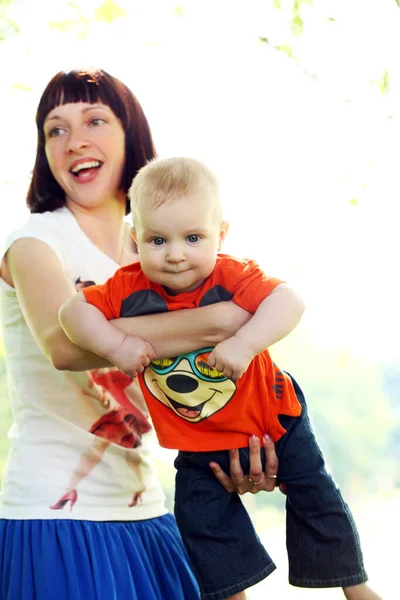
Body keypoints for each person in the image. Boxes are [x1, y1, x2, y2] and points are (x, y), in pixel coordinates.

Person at [0, 69, 280, 600]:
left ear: (132, 136)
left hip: (150, 507)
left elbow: (199, 380)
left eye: (95, 121)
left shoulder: (161, 253)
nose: (74, 140)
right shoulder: (34, 241)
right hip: (57, 514)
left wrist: (241, 455)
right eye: (55, 129)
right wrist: (218, 322)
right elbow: (64, 346)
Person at [60, 157, 383, 600]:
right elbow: (72, 313)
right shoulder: (126, 289)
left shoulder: (232, 275)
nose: (175, 254)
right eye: (158, 240)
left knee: (314, 493)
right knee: (198, 517)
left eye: (193, 238)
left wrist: (245, 343)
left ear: (220, 235)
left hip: (273, 417)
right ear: (135, 240)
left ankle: (355, 586)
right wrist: (116, 347)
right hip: (198, 437)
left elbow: (289, 302)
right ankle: (233, 594)